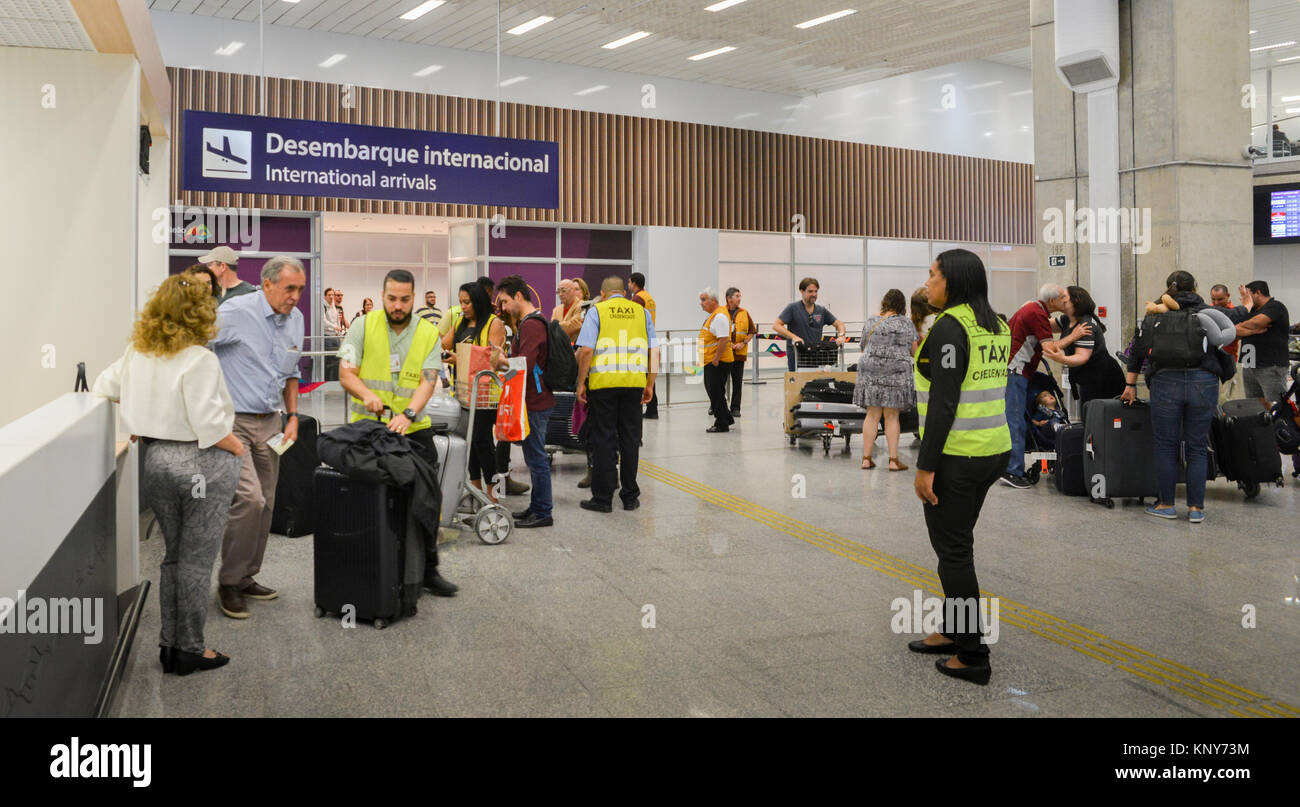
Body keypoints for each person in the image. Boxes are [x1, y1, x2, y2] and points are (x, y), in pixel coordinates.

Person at [94, 274, 244, 675]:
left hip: (157, 461)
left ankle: (170, 645)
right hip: (203, 463)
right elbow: (210, 426)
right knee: (197, 562)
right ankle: (190, 649)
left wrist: (144, 411)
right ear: (201, 314)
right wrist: (238, 447)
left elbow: (102, 387)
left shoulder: (137, 354)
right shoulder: (200, 359)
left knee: (172, 558)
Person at [908, 248, 1011, 686]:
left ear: (952, 281)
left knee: (953, 553)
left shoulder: (951, 327)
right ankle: (953, 628)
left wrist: (925, 467)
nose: (927, 283)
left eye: (933, 275)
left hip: (958, 455)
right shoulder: (996, 323)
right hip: (992, 449)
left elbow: (946, 402)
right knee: (957, 544)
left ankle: (972, 654)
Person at [336, 269, 457, 596]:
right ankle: (369, 565)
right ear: (383, 295)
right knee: (369, 499)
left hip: (414, 429)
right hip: (368, 430)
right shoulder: (362, 325)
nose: (398, 305)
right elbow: (346, 373)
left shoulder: (428, 333)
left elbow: (428, 380)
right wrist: (367, 394)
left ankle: (428, 569)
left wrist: (408, 413)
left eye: (405, 299)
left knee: (427, 499)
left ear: (414, 299)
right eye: (392, 298)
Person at [209, 256, 306, 620]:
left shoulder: (295, 319)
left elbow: (291, 371)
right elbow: (197, 351)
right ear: (266, 284)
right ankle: (229, 582)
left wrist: (293, 415)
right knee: (249, 499)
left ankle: (247, 576)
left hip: (272, 423)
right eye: (289, 288)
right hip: (233, 420)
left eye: (299, 289)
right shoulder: (235, 312)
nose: (296, 296)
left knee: (267, 502)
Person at [1123, 271, 1236, 523]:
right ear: (1195, 287)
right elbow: (1222, 345)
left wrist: (1130, 385)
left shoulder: (1155, 316)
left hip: (1165, 382)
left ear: (1168, 288)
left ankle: (1166, 504)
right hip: (1204, 382)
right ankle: (1196, 508)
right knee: (1197, 446)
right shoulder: (1207, 313)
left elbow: (1137, 352)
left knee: (1166, 445)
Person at [575, 276, 659, 512]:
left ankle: (602, 498)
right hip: (634, 382)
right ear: (624, 292)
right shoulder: (641, 313)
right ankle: (630, 496)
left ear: (603, 293)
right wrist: (650, 383)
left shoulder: (598, 311)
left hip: (603, 384)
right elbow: (654, 349)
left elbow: (587, 349)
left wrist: (581, 383)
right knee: (631, 440)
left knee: (604, 439)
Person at [492, 275, 555, 528]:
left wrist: (501, 361)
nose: (504, 308)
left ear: (518, 296)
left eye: (506, 301)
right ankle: (537, 507)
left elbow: (525, 363)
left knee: (537, 458)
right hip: (533, 398)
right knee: (533, 457)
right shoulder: (530, 323)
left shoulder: (531, 325)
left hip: (535, 401)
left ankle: (543, 512)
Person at [998, 283, 1072, 489]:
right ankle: (1013, 470)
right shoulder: (1037, 313)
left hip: (1013, 370)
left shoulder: (1031, 309)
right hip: (1016, 371)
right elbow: (1049, 350)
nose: (1065, 301)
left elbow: (1050, 328)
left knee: (1014, 419)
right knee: (1015, 421)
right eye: (1062, 299)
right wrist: (1074, 336)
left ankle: (1010, 466)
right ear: (1052, 301)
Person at [441, 281, 507, 503]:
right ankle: (475, 487)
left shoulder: (493, 323)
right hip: (463, 390)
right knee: (468, 441)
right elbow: (444, 343)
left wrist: (459, 358)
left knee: (482, 440)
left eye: (467, 302)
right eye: (460, 302)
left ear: (478, 300)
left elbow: (494, 359)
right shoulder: (460, 321)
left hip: (486, 392)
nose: (463, 306)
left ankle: (492, 491)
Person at [854, 289, 918, 471]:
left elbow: (862, 347)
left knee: (872, 414)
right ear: (902, 306)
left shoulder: (872, 320)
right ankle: (893, 460)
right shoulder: (906, 323)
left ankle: (866, 459)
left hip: (870, 369)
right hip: (896, 372)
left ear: (884, 302)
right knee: (891, 416)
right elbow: (914, 352)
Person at [1041, 286, 1125, 409]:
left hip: (1101, 376)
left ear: (1075, 301)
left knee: (1097, 416)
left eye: (1064, 296)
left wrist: (1061, 359)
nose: (1061, 299)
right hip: (1085, 375)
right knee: (1088, 413)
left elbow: (1082, 357)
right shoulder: (1066, 319)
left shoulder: (1086, 325)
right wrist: (1039, 307)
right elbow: (1043, 323)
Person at [1234, 280, 1291, 407]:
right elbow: (1234, 332)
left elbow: (1256, 323)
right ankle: (1263, 426)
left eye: (1247, 296)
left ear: (1258, 293)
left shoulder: (1275, 306)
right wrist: (1246, 330)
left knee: (1278, 403)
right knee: (1254, 404)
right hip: (1249, 363)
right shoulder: (1249, 310)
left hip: (1270, 365)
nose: (1245, 300)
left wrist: (1241, 327)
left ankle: (1281, 426)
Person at [773, 277, 847, 371]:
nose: (814, 294)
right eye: (810, 291)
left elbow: (839, 324)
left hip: (815, 355)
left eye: (816, 291)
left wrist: (841, 335)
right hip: (796, 355)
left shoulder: (821, 310)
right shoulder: (792, 308)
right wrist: (793, 337)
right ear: (802, 291)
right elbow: (776, 325)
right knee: (797, 384)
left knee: (814, 384)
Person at [698, 287, 735, 433]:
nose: (701, 303)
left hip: (718, 362)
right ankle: (726, 417)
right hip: (712, 360)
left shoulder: (719, 316)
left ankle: (721, 423)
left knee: (715, 393)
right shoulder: (715, 315)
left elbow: (723, 339)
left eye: (703, 300)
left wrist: (715, 359)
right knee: (716, 391)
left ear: (713, 301)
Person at [629, 272, 660, 419]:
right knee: (650, 376)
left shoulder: (638, 299)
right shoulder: (649, 297)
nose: (628, 285)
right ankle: (653, 408)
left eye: (629, 282)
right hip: (649, 337)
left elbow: (633, 320)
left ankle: (650, 408)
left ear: (634, 283)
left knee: (643, 375)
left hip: (641, 339)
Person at [724, 287, 758, 417]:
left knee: (737, 382)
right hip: (724, 353)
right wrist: (729, 344)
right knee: (720, 382)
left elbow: (751, 331)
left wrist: (743, 343)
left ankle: (735, 408)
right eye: (737, 296)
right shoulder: (721, 313)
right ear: (729, 298)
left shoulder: (744, 312)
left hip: (739, 355)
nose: (739, 298)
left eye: (740, 296)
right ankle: (716, 405)